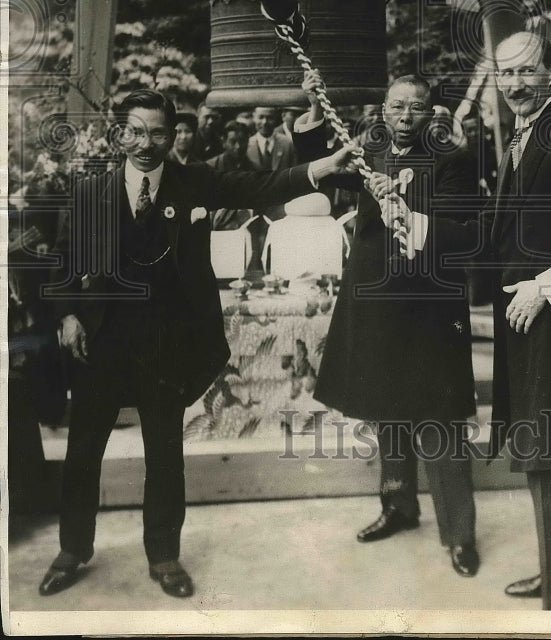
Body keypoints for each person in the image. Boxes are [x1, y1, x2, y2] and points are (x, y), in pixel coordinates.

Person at [38, 89, 356, 599]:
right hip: (100, 347)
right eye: (136, 131)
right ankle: (72, 549)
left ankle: (164, 556)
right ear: (121, 134)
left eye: (158, 132)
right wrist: (69, 312)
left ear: (171, 136)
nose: (147, 143)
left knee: (166, 457)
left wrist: (320, 167)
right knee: (82, 455)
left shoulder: (195, 183)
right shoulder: (90, 191)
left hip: (166, 347)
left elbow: (262, 184)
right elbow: (61, 259)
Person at [380, 31, 551, 610]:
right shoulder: (527, 136)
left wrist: (548, 288)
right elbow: (507, 238)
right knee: (547, 451)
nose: (515, 84)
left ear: (550, 72)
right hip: (532, 324)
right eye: (506, 74)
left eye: (527, 72)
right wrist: (422, 228)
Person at [294, 71, 481, 578]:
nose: (403, 118)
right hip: (375, 305)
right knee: (388, 411)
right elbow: (320, 172)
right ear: (383, 108)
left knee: (439, 422)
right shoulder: (367, 154)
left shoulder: (452, 162)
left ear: (430, 113)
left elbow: (467, 236)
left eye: (415, 108)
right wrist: (313, 114)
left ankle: (459, 534)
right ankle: (398, 506)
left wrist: (411, 219)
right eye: (395, 107)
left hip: (429, 310)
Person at [247, 106, 296, 171]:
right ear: (254, 118)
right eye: (261, 117)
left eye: (269, 118)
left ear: (275, 119)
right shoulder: (247, 144)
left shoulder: (288, 143)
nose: (265, 122)